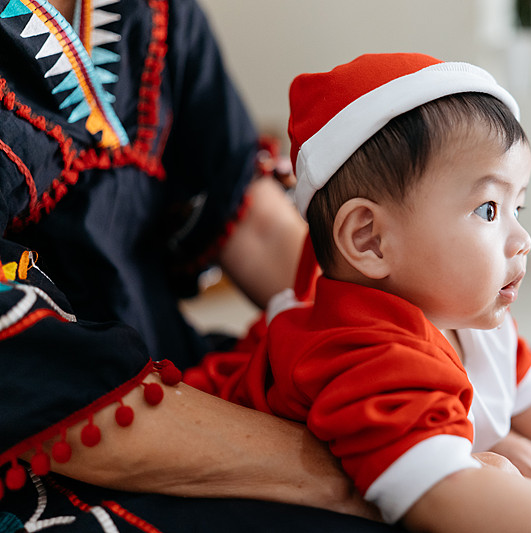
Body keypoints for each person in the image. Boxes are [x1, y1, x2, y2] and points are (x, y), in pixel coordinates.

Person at [197, 52, 531, 532]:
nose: (522, 240)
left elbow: (529, 392)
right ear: (370, 239)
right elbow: (445, 500)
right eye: (488, 211)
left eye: (518, 208)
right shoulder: (371, 358)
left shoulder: (466, 314)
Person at [0, 0, 402, 530]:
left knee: (525, 379)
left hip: (172, 367)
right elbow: (32, 376)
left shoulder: (160, 12)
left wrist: (406, 357)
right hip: (47, 438)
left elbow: (253, 220)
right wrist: (364, 472)